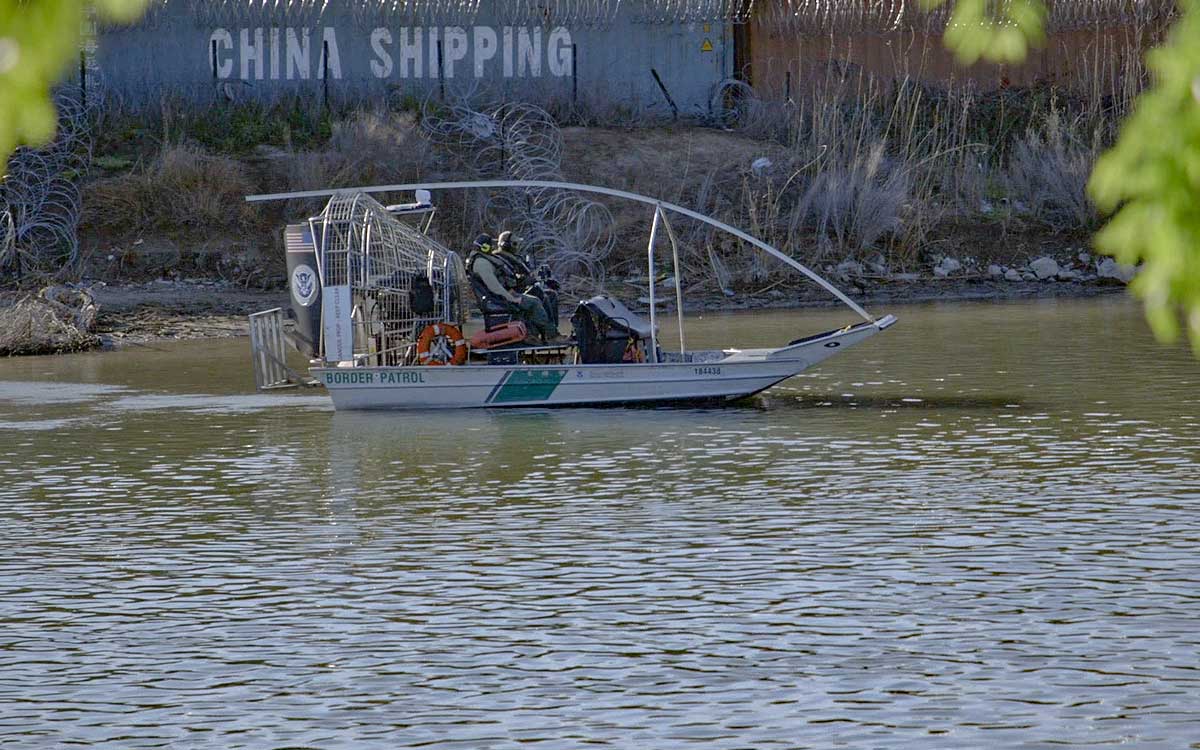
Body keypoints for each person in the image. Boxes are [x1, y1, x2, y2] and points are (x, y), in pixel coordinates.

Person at [466, 231, 565, 344]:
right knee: (535, 302)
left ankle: (538, 334)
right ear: (484, 247)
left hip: (501, 297)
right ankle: (550, 336)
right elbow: (494, 286)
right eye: (489, 246)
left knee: (540, 297)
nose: (492, 247)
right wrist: (511, 298)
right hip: (498, 300)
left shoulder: (484, 260)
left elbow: (509, 281)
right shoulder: (481, 262)